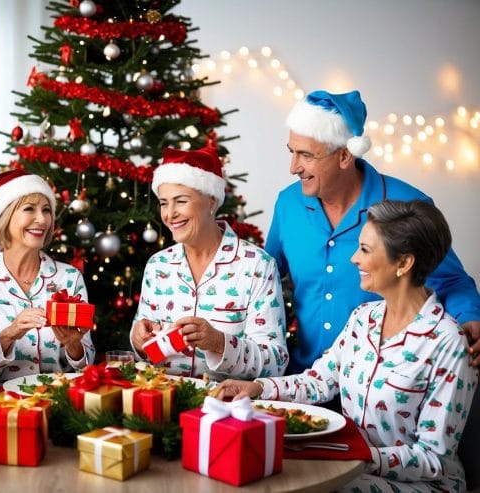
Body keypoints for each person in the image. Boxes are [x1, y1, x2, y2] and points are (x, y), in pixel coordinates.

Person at [215, 199, 478, 493]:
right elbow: (317, 382)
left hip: (423, 485)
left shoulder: (447, 343)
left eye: (365, 249)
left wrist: (351, 456)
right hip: (352, 466)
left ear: (404, 263)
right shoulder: (362, 319)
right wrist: (258, 388)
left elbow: (433, 458)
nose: (354, 258)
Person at [265, 89, 480, 373]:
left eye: (306, 155)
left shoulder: (407, 205)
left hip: (383, 386)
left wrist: (469, 316)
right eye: (292, 152)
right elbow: (264, 276)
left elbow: (451, 281)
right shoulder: (288, 203)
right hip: (303, 379)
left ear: (344, 155)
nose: (294, 168)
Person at [129, 144, 288, 379]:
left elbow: (275, 362)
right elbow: (146, 350)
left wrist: (218, 343)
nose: (169, 213)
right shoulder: (157, 265)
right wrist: (139, 339)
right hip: (164, 400)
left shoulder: (256, 265)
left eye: (181, 201)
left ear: (212, 202)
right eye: (164, 203)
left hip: (228, 407)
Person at [0, 169, 95, 385]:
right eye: (29, 209)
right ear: (4, 217)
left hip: (57, 404)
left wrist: (74, 346)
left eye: (47, 210)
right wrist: (9, 335)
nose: (42, 219)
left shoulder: (69, 278)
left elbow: (87, 368)